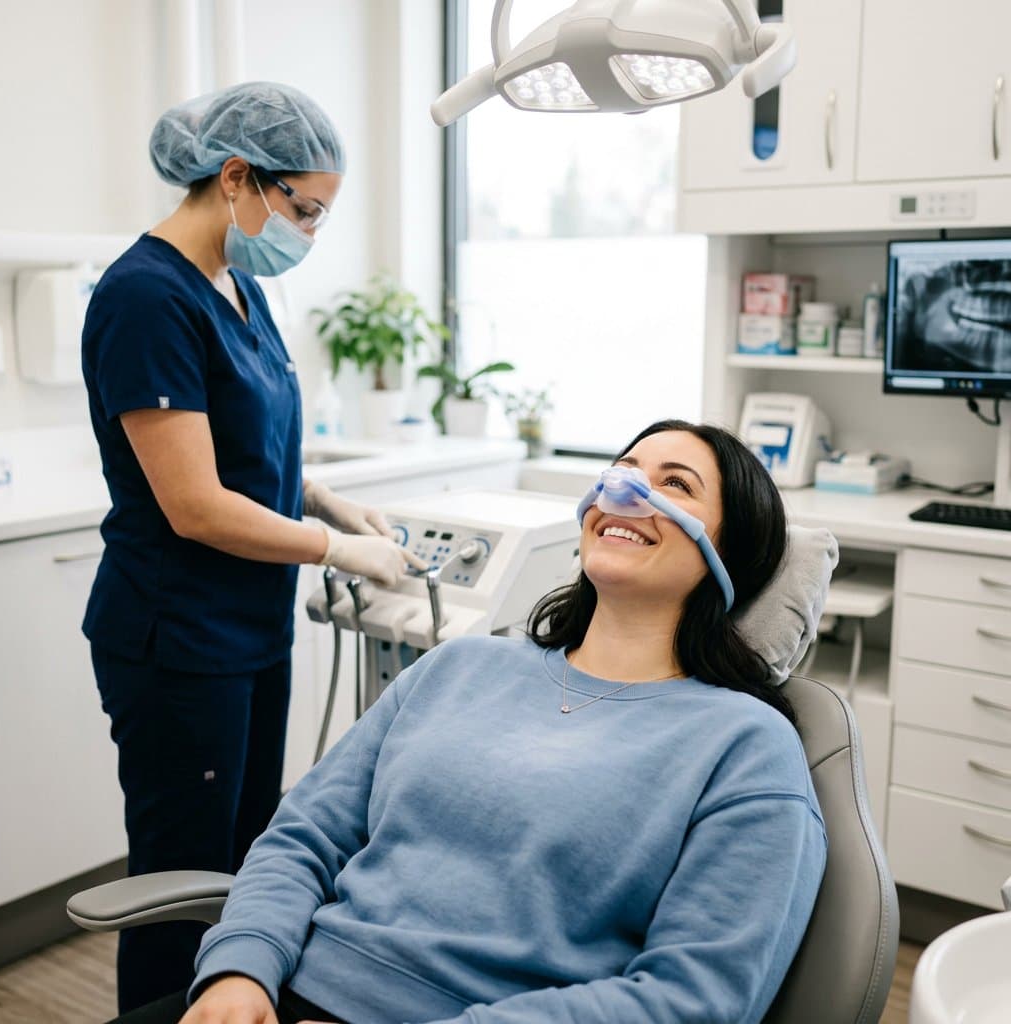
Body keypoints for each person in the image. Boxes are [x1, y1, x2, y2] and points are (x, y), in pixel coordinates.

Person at [109, 418, 828, 1024]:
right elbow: (305, 835)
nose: (627, 489)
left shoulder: (743, 745)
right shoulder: (463, 668)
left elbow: (694, 998)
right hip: (282, 992)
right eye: (623, 468)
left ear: (730, 553)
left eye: (676, 485)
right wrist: (239, 969)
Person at [81, 81, 425, 1013]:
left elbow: (244, 442)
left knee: (244, 868)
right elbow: (194, 505)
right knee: (178, 881)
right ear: (237, 177)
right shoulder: (146, 298)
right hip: (178, 641)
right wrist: (334, 551)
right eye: (303, 209)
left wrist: (327, 499)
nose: (307, 233)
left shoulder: (239, 283)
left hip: (248, 630)